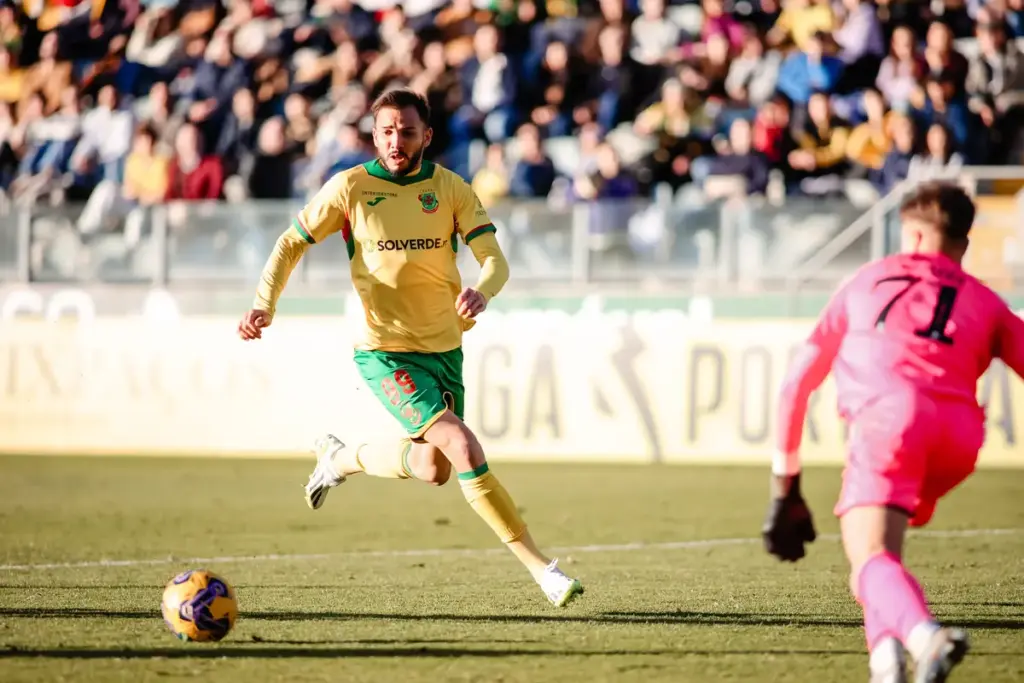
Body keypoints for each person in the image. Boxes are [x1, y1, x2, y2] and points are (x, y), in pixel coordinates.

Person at [236, 88, 584, 608]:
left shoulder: (450, 189)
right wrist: (265, 303)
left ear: (427, 135)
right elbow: (291, 242)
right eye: (387, 131)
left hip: (444, 348)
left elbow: (496, 261)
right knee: (463, 447)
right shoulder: (350, 188)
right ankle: (544, 571)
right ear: (374, 136)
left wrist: (481, 291)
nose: (397, 141)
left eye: (407, 131)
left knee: (433, 468)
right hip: (383, 351)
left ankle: (341, 457)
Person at [761, 181, 1024, 683]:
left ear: (914, 236)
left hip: (890, 424)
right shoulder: (987, 301)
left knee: (869, 559)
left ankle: (927, 637)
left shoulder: (866, 280)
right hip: (960, 438)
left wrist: (785, 489)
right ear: (961, 245)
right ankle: (886, 665)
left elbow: (795, 384)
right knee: (881, 555)